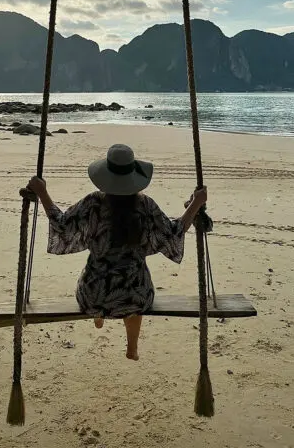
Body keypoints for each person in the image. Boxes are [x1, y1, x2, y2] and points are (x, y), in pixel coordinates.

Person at [26, 143, 209, 361]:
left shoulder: (93, 203)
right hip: (136, 295)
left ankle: (99, 314)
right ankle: (132, 347)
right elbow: (174, 231)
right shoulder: (145, 205)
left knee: (97, 290)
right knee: (135, 296)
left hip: (93, 294)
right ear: (133, 175)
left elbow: (62, 225)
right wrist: (196, 203)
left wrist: (42, 192)